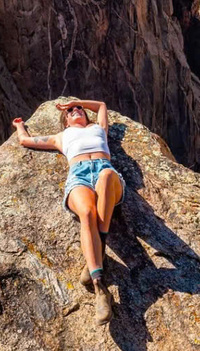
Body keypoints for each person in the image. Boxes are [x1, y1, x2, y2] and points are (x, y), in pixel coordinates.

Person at [12, 99, 125, 325]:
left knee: (106, 177)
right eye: (71, 111)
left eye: (79, 110)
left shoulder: (98, 129)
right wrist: (19, 126)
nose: (76, 111)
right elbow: (25, 141)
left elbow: (102, 106)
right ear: (65, 122)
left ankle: (98, 247)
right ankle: (99, 287)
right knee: (87, 213)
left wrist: (77, 101)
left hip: (105, 171)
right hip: (79, 176)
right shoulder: (61, 137)